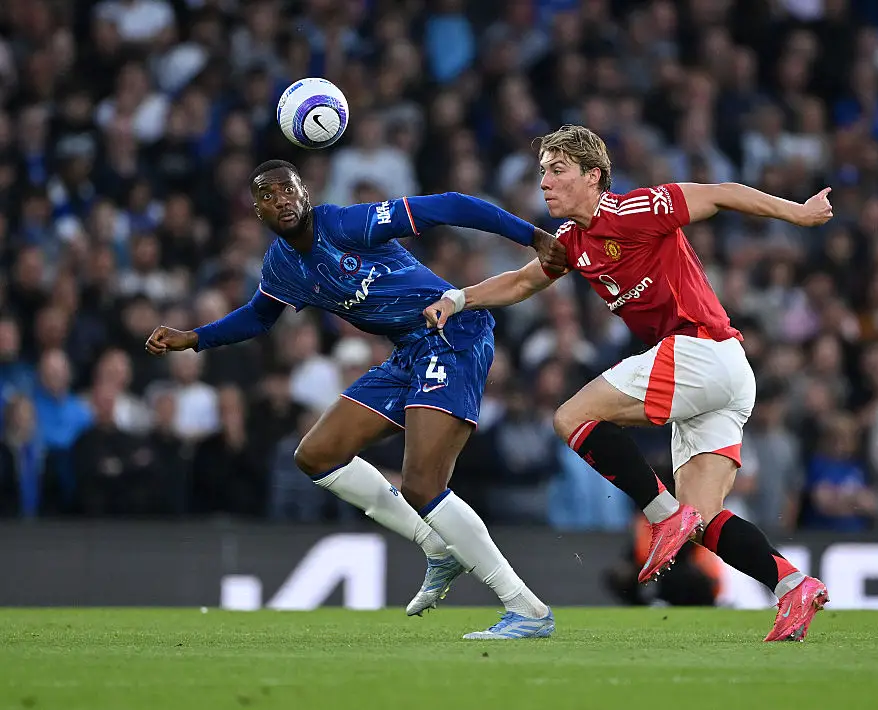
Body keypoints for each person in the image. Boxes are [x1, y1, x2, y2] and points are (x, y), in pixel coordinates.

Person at [425, 125, 833, 642]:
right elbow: (522, 282)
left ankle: (661, 515)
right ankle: (792, 585)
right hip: (725, 374)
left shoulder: (637, 209)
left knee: (571, 417)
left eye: (557, 170)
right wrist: (458, 299)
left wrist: (796, 212)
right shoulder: (573, 243)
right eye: (542, 172)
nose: (544, 183)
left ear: (593, 176)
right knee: (704, 519)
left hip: (699, 350)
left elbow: (720, 194)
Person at [146, 160, 566, 640]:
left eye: (287, 189)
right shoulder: (281, 265)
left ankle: (525, 608)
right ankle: (437, 547)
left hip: (452, 334)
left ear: (305, 192)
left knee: (422, 486)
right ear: (256, 212)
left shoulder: (347, 224)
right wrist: (194, 338)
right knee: (316, 455)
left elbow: (448, 205)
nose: (280, 200)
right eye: (267, 195)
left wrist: (532, 236)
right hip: (409, 352)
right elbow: (259, 317)